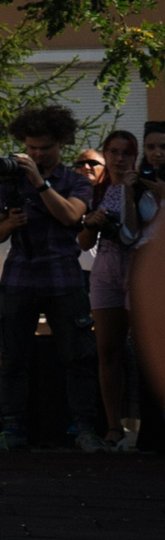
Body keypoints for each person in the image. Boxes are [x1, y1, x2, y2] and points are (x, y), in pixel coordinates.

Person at [0, 106, 102, 452]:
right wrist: (10, 224)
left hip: (63, 278)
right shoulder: (10, 181)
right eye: (30, 148)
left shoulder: (75, 181)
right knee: (13, 357)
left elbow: (70, 215)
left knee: (77, 356)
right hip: (18, 279)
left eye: (44, 148)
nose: (35, 154)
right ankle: (13, 429)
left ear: (60, 144)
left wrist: (40, 182)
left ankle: (86, 429)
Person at [81, 128, 157, 453]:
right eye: (113, 152)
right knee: (108, 350)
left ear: (134, 155)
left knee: (144, 352)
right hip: (105, 269)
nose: (119, 158)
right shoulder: (94, 192)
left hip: (137, 267)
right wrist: (90, 223)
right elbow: (83, 243)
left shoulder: (145, 188)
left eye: (126, 152)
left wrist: (128, 189)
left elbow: (131, 232)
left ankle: (146, 428)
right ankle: (113, 426)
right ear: (105, 154)